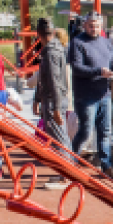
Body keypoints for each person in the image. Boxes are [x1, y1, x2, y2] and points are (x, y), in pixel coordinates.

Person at [67, 11, 113, 178]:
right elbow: (77, 68)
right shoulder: (77, 42)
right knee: (86, 132)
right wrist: (99, 71)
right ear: (85, 25)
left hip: (104, 94)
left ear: (102, 27)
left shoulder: (106, 42)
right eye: (91, 25)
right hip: (85, 95)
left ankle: (106, 166)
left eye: (97, 25)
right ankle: (70, 162)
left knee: (105, 132)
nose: (94, 28)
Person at [32, 18, 74, 172]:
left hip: (53, 99)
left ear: (39, 35)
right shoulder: (57, 49)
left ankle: (66, 173)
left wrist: (55, 107)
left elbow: (53, 81)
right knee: (60, 136)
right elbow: (47, 79)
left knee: (58, 138)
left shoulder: (50, 53)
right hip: (55, 98)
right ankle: (66, 170)